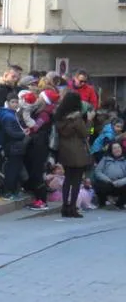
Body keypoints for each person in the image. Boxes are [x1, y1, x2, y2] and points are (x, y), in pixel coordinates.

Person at [54, 90, 92, 218]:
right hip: (77, 151)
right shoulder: (77, 118)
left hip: (64, 150)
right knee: (76, 181)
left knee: (67, 179)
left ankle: (65, 206)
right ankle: (72, 208)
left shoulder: (59, 116)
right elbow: (85, 133)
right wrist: (89, 121)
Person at [92, 140, 126, 209]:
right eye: (114, 148)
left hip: (120, 184)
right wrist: (108, 180)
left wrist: (120, 182)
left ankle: (119, 204)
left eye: (118, 147)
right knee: (98, 183)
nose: (117, 150)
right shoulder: (105, 159)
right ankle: (102, 203)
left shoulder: (125, 160)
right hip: (107, 183)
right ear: (111, 150)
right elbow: (97, 171)